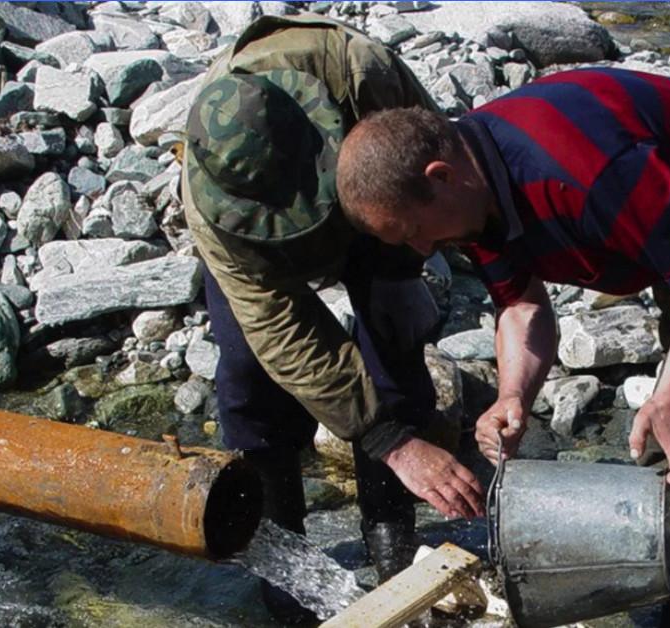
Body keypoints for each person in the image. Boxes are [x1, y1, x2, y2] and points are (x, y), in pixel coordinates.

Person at [334, 67, 670, 627]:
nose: (423, 250)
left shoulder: (576, 167)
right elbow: (522, 306)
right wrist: (513, 395)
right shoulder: (475, 201)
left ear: (441, 176)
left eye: (412, 231)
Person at [180, 14, 484, 623]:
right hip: (257, 254)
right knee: (248, 387)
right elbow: (282, 331)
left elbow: (449, 176)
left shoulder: (359, 75)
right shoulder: (212, 206)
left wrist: (507, 271)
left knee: (396, 342)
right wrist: (384, 439)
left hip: (373, 203)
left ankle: (391, 540)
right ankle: (287, 572)